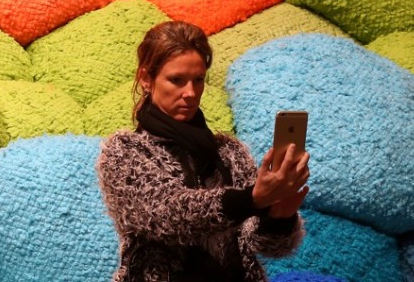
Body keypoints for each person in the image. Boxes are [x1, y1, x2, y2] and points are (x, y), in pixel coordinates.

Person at [96, 20, 309, 282]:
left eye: (198, 80)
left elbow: (263, 244)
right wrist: (252, 200)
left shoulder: (229, 153)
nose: (190, 93)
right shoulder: (126, 152)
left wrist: (278, 217)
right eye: (176, 80)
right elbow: (168, 214)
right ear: (146, 79)